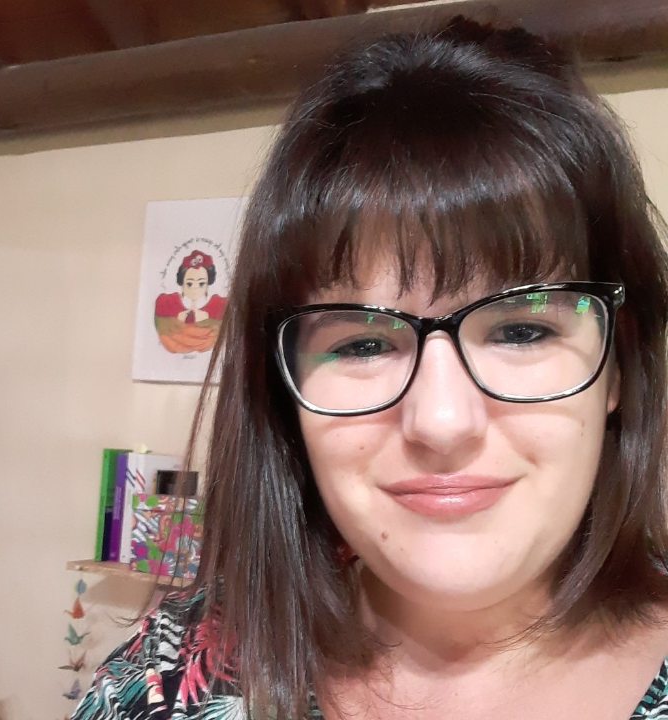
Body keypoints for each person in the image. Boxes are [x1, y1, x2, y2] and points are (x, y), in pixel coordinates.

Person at [71, 17, 668, 720]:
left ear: (616, 365)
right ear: (285, 386)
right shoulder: (156, 683)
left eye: (521, 330)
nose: (441, 422)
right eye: (362, 345)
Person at [154, 250, 227, 353]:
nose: (195, 288)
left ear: (207, 285)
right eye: (189, 284)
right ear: (182, 285)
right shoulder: (169, 306)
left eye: (201, 283)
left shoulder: (217, 307)